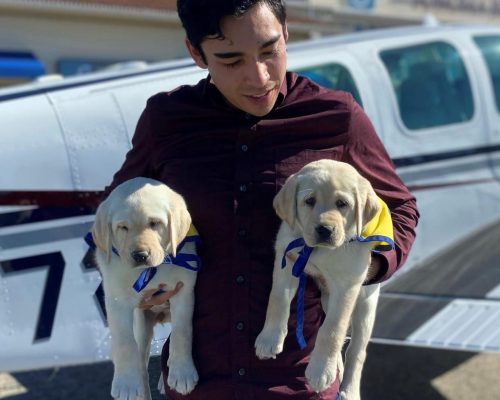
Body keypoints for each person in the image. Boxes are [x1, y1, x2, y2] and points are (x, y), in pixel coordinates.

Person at [105, 0, 420, 398]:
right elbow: (111, 214)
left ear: (286, 33)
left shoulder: (337, 117)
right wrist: (136, 283)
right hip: (198, 380)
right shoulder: (166, 121)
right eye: (231, 60)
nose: (258, 77)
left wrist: (366, 266)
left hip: (301, 380)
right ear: (195, 53)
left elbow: (401, 208)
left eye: (270, 51)